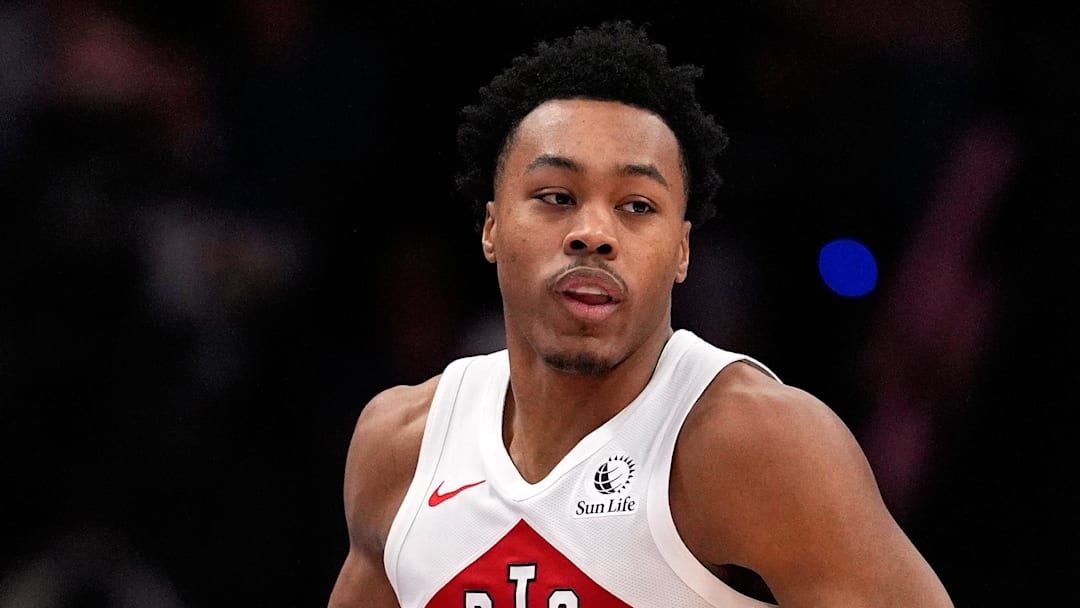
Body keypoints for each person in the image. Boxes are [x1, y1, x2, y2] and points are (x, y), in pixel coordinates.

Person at [327, 20, 954, 608]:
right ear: (491, 228)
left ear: (682, 251)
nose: (594, 232)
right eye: (556, 197)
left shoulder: (757, 443)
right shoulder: (402, 446)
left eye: (637, 206)